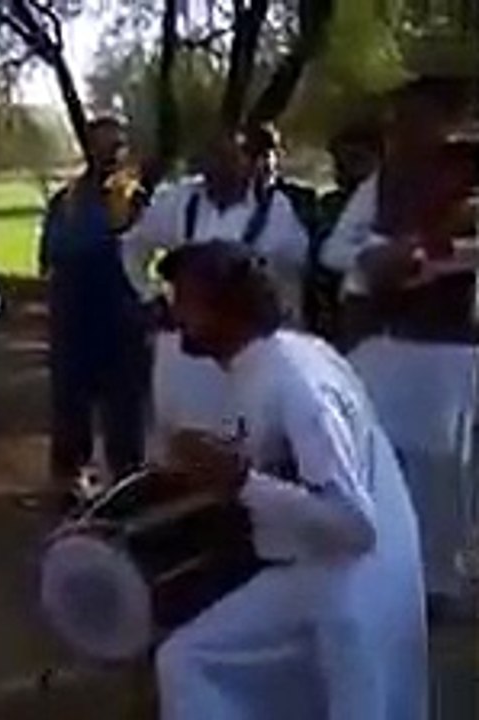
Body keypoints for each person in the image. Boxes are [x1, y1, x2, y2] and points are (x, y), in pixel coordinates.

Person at [153, 240, 426, 720]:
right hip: (316, 574)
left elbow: (355, 526)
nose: (174, 311)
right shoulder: (269, 362)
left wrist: (240, 481)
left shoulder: (298, 384)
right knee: (188, 658)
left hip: (351, 585)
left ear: (227, 308)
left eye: (186, 299)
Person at [319, 76, 477, 610]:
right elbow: (336, 248)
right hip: (384, 341)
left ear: (445, 120)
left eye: (411, 118)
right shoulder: (384, 182)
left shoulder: (470, 173)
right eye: (394, 120)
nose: (398, 130)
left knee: (441, 468)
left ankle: (441, 582)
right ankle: (383, 564)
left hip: (449, 348)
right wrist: (380, 257)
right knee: (373, 455)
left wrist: (424, 259)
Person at [123, 126, 310, 457]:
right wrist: (150, 297)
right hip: (185, 343)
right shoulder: (179, 200)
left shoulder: (275, 209)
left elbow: (292, 269)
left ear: (250, 164)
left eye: (229, 159)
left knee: (241, 441)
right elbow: (133, 246)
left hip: (241, 345)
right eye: (210, 160)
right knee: (177, 435)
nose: (218, 168)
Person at [39, 116, 148, 492]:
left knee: (124, 411)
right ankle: (69, 482)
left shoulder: (136, 198)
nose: (108, 154)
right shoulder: (66, 199)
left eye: (116, 146)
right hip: (73, 315)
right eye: (101, 145)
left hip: (121, 315)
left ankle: (128, 485)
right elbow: (51, 255)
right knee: (70, 407)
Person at [311, 121, 382, 346]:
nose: (345, 169)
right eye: (339, 162)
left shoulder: (386, 200)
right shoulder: (328, 204)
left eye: (356, 160)